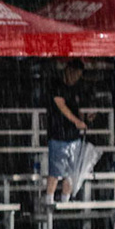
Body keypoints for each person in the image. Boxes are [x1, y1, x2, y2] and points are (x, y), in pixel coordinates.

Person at [43, 59, 91, 205]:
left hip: (73, 137)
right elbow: (61, 106)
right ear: (68, 70)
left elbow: (79, 108)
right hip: (58, 135)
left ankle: (66, 201)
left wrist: (85, 118)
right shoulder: (56, 86)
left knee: (71, 173)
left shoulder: (78, 89)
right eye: (75, 74)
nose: (76, 78)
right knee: (55, 172)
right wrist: (76, 121)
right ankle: (49, 201)